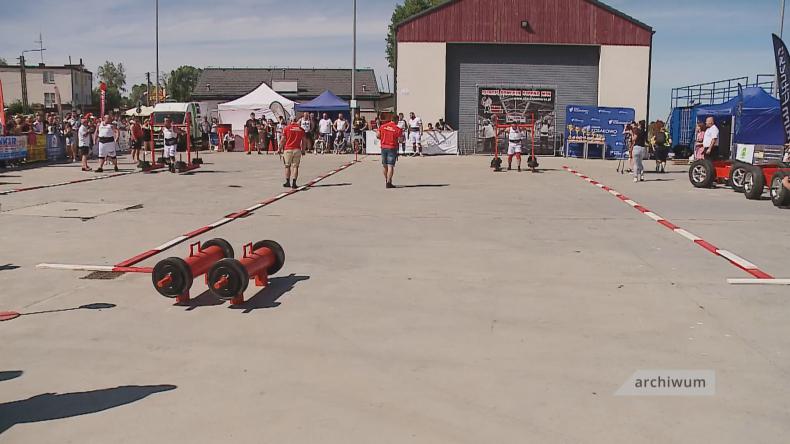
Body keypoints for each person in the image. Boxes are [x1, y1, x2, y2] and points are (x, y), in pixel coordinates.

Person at [279, 116, 306, 189]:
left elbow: (282, 140)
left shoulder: (286, 128)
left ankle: (287, 182)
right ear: (296, 120)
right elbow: (304, 141)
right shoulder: (301, 129)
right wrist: (303, 150)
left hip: (288, 149)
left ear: (290, 120)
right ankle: (294, 182)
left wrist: (279, 149)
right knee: (295, 167)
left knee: (287, 166)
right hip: (297, 149)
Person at [376, 115, 403, 188]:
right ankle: (388, 182)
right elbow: (400, 140)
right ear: (396, 120)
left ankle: (387, 180)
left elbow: (377, 136)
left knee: (384, 165)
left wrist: (384, 138)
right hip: (392, 147)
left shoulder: (383, 126)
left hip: (383, 147)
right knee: (390, 165)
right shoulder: (398, 129)